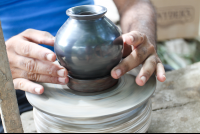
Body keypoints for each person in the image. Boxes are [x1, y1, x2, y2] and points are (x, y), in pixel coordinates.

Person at [0, 0, 166, 132]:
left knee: (160, 80)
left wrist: (140, 42)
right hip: (19, 75)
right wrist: (2, 59)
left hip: (111, 65)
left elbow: (133, 3)